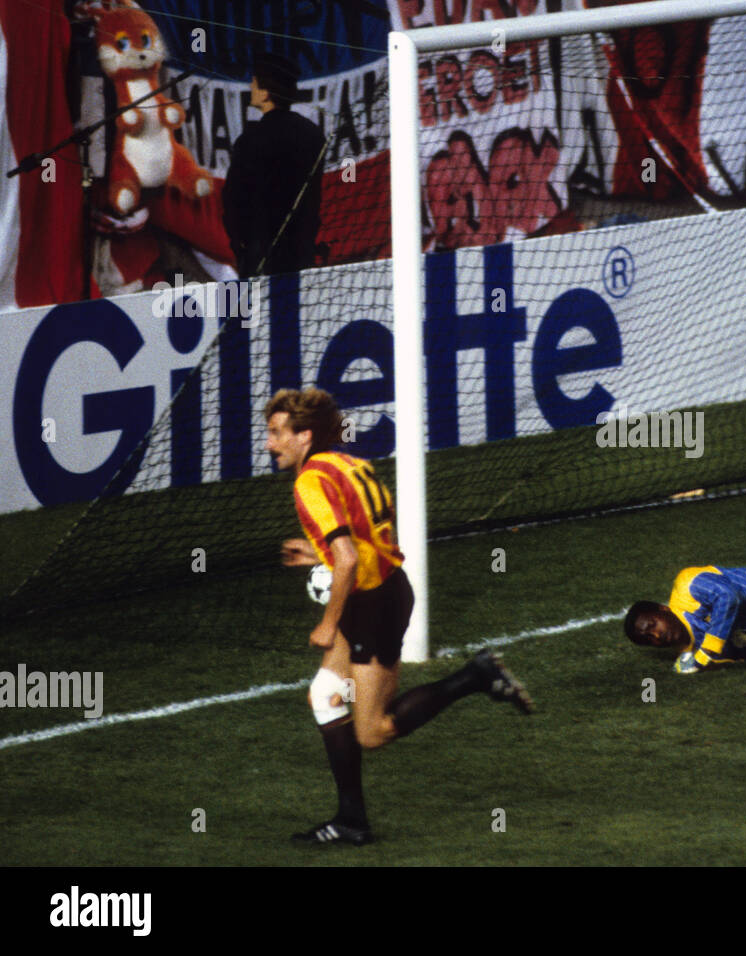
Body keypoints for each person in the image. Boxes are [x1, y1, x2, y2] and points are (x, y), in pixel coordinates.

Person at [265, 387, 533, 846]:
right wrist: (316, 553)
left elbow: (347, 560)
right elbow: (362, 540)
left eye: (276, 433)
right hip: (382, 588)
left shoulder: (309, 482)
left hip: (371, 603)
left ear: (304, 436)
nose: (270, 443)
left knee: (373, 730)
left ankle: (477, 676)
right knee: (326, 693)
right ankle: (351, 820)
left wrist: (328, 623)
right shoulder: (349, 464)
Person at [223, 52, 325, 277]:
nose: (251, 86)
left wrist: (240, 244)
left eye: (255, 82)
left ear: (266, 92)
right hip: (302, 250)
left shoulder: (251, 139)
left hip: (260, 257)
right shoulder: (313, 134)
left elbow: (233, 201)